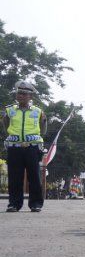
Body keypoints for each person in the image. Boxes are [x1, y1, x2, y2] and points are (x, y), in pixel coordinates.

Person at [2, 80, 47, 212]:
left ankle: (36, 204)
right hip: (14, 147)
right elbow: (6, 126)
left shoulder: (38, 112)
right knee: (15, 177)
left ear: (30, 97)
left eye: (23, 94)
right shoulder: (9, 110)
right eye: (19, 93)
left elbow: (43, 129)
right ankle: (14, 204)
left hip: (32, 147)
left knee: (34, 176)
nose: (20, 96)